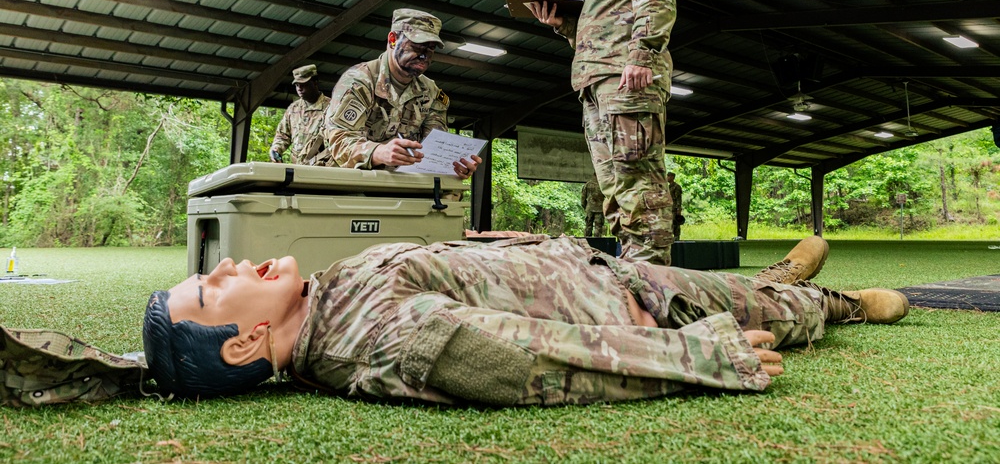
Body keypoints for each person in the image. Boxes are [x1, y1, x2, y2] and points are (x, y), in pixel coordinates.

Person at [142, 235, 910, 405]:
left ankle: (768, 278)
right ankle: (840, 304)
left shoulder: (327, 296)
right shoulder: (376, 336)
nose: (228, 266)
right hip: (631, 306)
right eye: (212, 288)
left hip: (600, 270)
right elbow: (531, 359)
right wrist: (692, 355)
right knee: (770, 312)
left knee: (731, 285)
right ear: (245, 342)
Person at [528, 0, 678, 265]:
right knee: (614, 187)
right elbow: (608, 23)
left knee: (637, 180)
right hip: (598, 79)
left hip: (625, 77)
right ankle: (634, 271)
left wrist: (643, 53)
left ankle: (651, 277)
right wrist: (564, 25)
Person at [323, 9, 481, 179]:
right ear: (392, 40)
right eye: (417, 45)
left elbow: (434, 149)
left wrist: (454, 165)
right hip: (351, 182)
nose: (424, 55)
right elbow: (339, 140)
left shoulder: (431, 92)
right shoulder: (360, 81)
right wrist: (378, 152)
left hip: (402, 184)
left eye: (431, 48)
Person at [268, 65, 331, 166]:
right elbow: (282, 136)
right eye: (297, 85)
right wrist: (276, 150)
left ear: (315, 82)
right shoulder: (293, 109)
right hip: (297, 169)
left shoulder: (332, 107)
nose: (299, 88)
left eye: (303, 84)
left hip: (322, 169)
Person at [667, 171, 683, 241]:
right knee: (669, 224)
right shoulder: (668, 187)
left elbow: (678, 199)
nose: (667, 178)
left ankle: (676, 238)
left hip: (675, 209)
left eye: (668, 176)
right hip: (669, 209)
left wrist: (678, 209)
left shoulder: (676, 187)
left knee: (676, 223)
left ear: (672, 177)